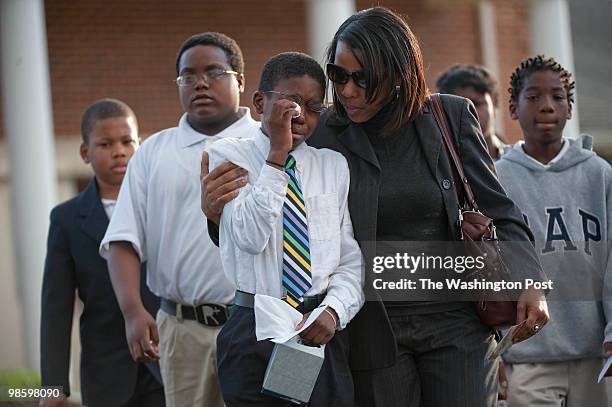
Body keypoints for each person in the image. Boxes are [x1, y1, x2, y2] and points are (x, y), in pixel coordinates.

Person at [201, 7, 550, 407]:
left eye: (362, 78)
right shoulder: (325, 131)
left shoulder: (448, 117)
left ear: (397, 74)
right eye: (338, 75)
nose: (347, 91)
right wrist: (217, 215)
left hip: (457, 325)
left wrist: (531, 279)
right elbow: (278, 210)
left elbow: (499, 208)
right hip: (370, 330)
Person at [99, 33, 258, 407]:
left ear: (240, 80)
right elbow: (122, 239)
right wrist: (133, 311)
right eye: (188, 76)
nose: (200, 82)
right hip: (182, 331)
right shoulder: (153, 152)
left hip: (256, 325)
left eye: (213, 72)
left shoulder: (268, 144)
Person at [207, 51, 363, 406]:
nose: (300, 115)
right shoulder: (229, 154)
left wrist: (334, 310)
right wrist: (276, 157)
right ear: (260, 102)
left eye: (312, 107)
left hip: (315, 329)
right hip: (254, 331)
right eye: (291, 102)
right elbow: (249, 237)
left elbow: (349, 258)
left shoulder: (332, 166)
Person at [495, 55, 612, 407]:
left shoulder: (599, 174)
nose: (546, 106)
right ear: (513, 109)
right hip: (527, 354)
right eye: (533, 97)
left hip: (595, 354)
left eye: (557, 97)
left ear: (570, 108)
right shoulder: (497, 178)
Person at [40, 99, 164, 407]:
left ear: (140, 145)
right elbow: (56, 309)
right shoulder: (66, 219)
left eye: (127, 142)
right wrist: (52, 388)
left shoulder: (164, 206)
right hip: (105, 375)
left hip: (168, 366)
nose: (119, 151)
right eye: (106, 144)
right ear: (85, 152)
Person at [436, 64, 506, 160]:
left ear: (494, 105)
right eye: (461, 106)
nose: (470, 112)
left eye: (477, 104)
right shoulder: (439, 166)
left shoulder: (518, 161)